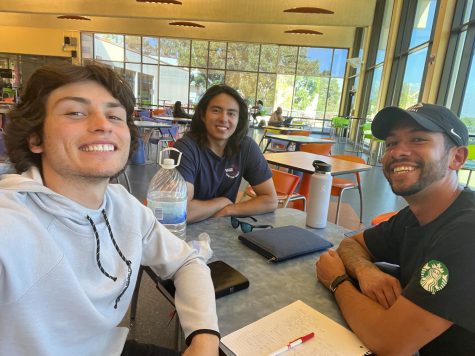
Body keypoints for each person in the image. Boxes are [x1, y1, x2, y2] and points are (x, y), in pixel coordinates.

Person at [0, 63, 220, 356]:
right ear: (35, 138)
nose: (103, 124)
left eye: (115, 115)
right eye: (75, 112)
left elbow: (186, 262)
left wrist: (204, 336)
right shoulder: (12, 223)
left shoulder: (123, 205)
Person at [316, 103, 475, 355]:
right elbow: (351, 244)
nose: (399, 152)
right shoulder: (414, 215)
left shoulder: (467, 234)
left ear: (457, 157)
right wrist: (365, 270)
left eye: (418, 139)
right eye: (391, 143)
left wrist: (337, 280)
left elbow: (389, 342)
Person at [173, 85, 278, 223]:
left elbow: (270, 200)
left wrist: (229, 210)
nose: (224, 118)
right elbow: (180, 211)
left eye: (231, 113)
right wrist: (222, 202)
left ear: (238, 119)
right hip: (185, 236)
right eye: (216, 110)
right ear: (203, 115)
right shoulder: (185, 148)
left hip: (223, 233)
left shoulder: (245, 147)